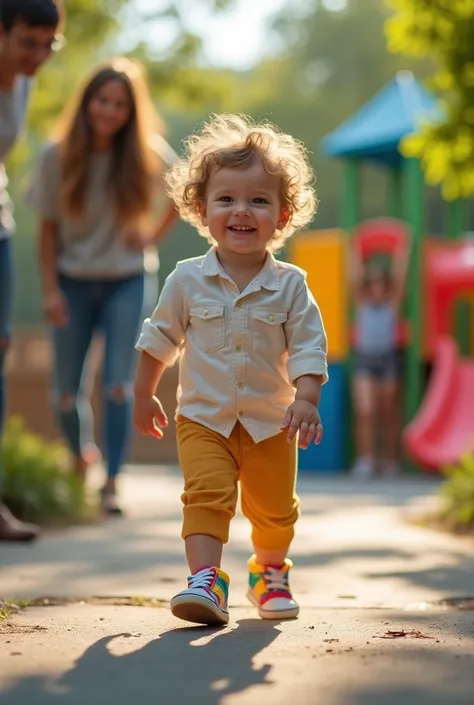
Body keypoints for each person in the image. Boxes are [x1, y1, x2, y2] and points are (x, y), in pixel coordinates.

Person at [133, 114, 328, 626]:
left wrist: (305, 399)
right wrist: (142, 394)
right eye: (227, 199)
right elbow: (159, 339)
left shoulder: (291, 286)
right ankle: (205, 581)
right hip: (203, 418)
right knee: (205, 496)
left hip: (271, 422)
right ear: (202, 209)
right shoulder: (186, 280)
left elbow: (309, 346)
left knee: (274, 511)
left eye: (259, 200)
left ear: (282, 216)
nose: (242, 210)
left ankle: (268, 571)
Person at [28, 57, 178, 516]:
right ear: (88, 102)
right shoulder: (57, 155)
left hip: (126, 278)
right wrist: (51, 290)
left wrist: (151, 236)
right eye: (102, 101)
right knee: (64, 393)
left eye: (120, 105)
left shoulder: (146, 153)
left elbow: (185, 192)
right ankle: (80, 455)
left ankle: (112, 479)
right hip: (73, 280)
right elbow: (47, 230)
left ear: (132, 112)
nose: (110, 112)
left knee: (117, 385)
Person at [0, 0, 62, 542]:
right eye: (28, 42)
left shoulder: (21, 82)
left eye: (49, 44)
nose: (39, 55)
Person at [349, 240, 409, 480]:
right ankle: (366, 460)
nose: (376, 286)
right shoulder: (361, 303)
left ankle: (391, 460)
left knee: (388, 412)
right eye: (372, 282)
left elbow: (401, 276)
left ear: (386, 285)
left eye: (380, 282)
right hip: (366, 358)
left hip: (388, 358)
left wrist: (402, 251)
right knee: (366, 410)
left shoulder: (392, 304)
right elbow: (353, 278)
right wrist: (353, 249)